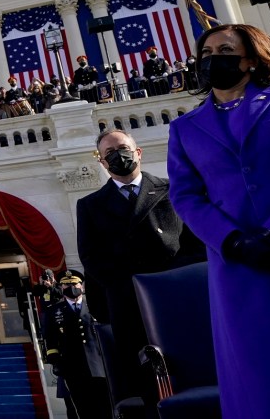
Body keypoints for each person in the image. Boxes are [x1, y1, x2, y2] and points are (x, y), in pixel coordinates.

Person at [167, 23, 270, 418]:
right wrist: (234, 241)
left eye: (224, 50)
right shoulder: (184, 128)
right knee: (259, 376)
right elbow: (185, 196)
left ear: (250, 59)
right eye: (205, 53)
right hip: (238, 266)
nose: (212, 59)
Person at [76, 129, 205, 401]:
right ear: (101, 162)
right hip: (129, 304)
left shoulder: (172, 190)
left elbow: (196, 244)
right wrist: (132, 284)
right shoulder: (90, 205)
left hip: (178, 297)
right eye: (109, 153)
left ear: (138, 152)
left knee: (193, 376)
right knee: (145, 384)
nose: (117, 156)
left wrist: (171, 279)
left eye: (122, 147)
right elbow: (91, 257)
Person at [43, 272, 109, 419]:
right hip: (72, 366)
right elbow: (50, 338)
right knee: (81, 407)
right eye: (67, 284)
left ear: (82, 286)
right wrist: (55, 359)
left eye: (75, 284)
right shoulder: (53, 311)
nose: (71, 287)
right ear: (61, 287)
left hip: (99, 365)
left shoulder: (95, 307)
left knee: (105, 405)